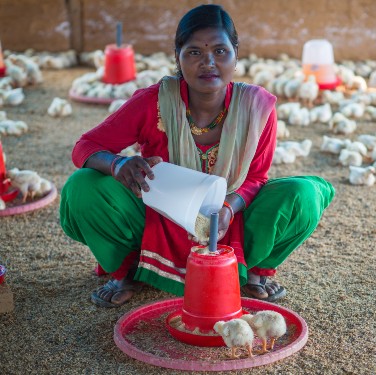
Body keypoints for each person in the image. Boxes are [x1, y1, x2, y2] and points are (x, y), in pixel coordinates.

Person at [60, 4, 334, 307]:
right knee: (83, 186)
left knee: (303, 193)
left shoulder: (256, 108)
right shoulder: (153, 102)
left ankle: (254, 271)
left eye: (220, 51)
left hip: (229, 226)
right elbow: (85, 146)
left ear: (235, 54)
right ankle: (125, 272)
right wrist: (117, 164)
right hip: (159, 222)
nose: (208, 63)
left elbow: (256, 178)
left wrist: (228, 209)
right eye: (194, 52)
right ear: (178, 56)